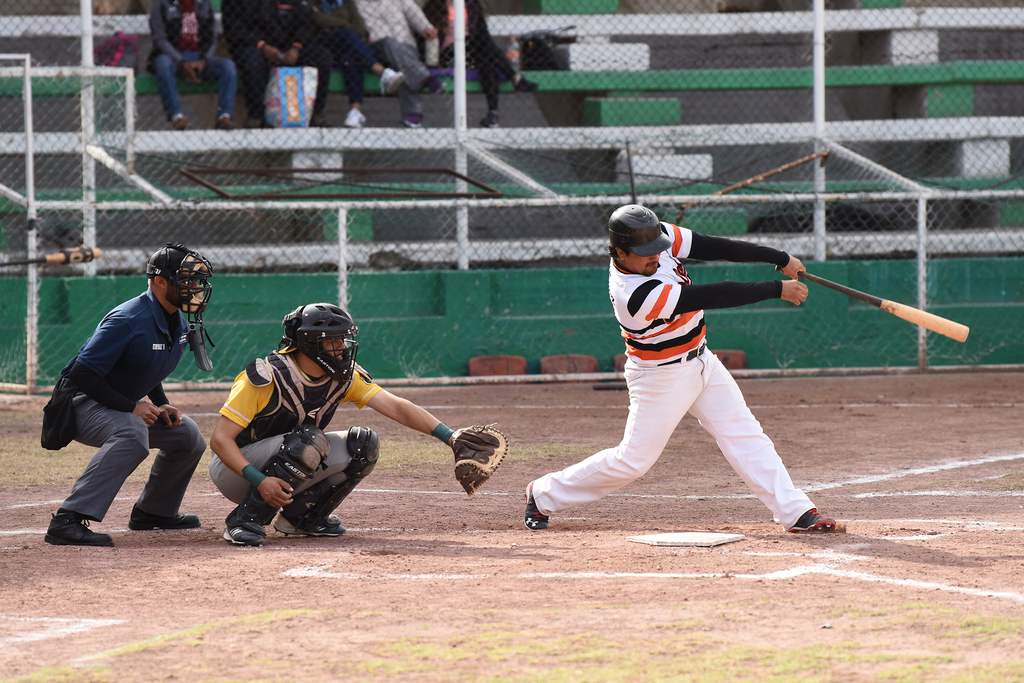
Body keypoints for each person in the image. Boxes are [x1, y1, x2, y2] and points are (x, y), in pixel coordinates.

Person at [524, 204, 840, 534]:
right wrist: (775, 289)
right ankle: (543, 494)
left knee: (745, 434)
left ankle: (796, 512)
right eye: (645, 253)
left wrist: (779, 257)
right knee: (633, 460)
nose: (656, 256)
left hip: (702, 359)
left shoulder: (657, 238)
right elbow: (711, 294)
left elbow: (715, 246)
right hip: (661, 376)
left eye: (657, 249)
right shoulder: (633, 295)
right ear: (619, 252)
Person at [209, 302, 487, 546]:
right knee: (309, 441)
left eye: (343, 340)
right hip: (235, 471)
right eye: (334, 341)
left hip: (285, 460)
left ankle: (302, 518)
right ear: (310, 344)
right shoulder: (267, 377)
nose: (343, 348)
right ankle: (243, 522)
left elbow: (397, 407)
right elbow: (220, 440)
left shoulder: (342, 376)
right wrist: (260, 480)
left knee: (363, 445)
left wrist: (450, 437)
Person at [43, 244, 215, 547]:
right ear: (160, 281)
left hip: (115, 406)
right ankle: (67, 519)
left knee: (188, 436)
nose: (196, 287)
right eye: (187, 279)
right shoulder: (128, 319)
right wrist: (132, 407)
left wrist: (160, 402)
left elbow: (146, 367)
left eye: (198, 281)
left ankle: (154, 513)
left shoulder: (176, 318)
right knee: (132, 430)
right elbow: (80, 374)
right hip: (81, 405)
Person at [422, 0, 537, 128]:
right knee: (477, 39)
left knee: (487, 61)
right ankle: (515, 78)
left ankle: (493, 114)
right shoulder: (435, 5)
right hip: (449, 54)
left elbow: (483, 33)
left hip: (473, 52)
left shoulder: (471, 5)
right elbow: (424, 34)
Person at [222, 0, 335, 128]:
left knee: (322, 57)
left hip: (289, 47)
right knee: (252, 60)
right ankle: (256, 116)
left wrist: (296, 47)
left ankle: (316, 113)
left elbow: (306, 24)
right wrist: (262, 46)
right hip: (253, 45)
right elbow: (234, 29)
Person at [310, 0, 405, 128]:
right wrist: (345, 24)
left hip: (344, 46)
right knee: (346, 34)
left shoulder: (345, 2)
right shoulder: (310, 2)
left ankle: (355, 112)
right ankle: (382, 72)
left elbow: (359, 28)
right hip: (321, 43)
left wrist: (333, 25)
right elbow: (316, 19)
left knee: (349, 57)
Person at [353, 0, 447, 128]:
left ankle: (413, 116)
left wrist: (426, 27)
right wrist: (363, 37)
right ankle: (424, 78)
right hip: (378, 47)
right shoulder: (357, 3)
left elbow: (413, 12)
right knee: (389, 44)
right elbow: (353, 24)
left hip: (405, 45)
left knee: (403, 66)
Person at [148, 0, 238, 130]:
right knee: (162, 63)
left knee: (228, 66)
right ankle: (177, 116)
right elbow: (160, 39)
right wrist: (182, 62)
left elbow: (212, 38)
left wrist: (204, 60)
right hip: (173, 57)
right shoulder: (162, 4)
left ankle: (224, 115)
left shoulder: (205, 4)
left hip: (200, 57)